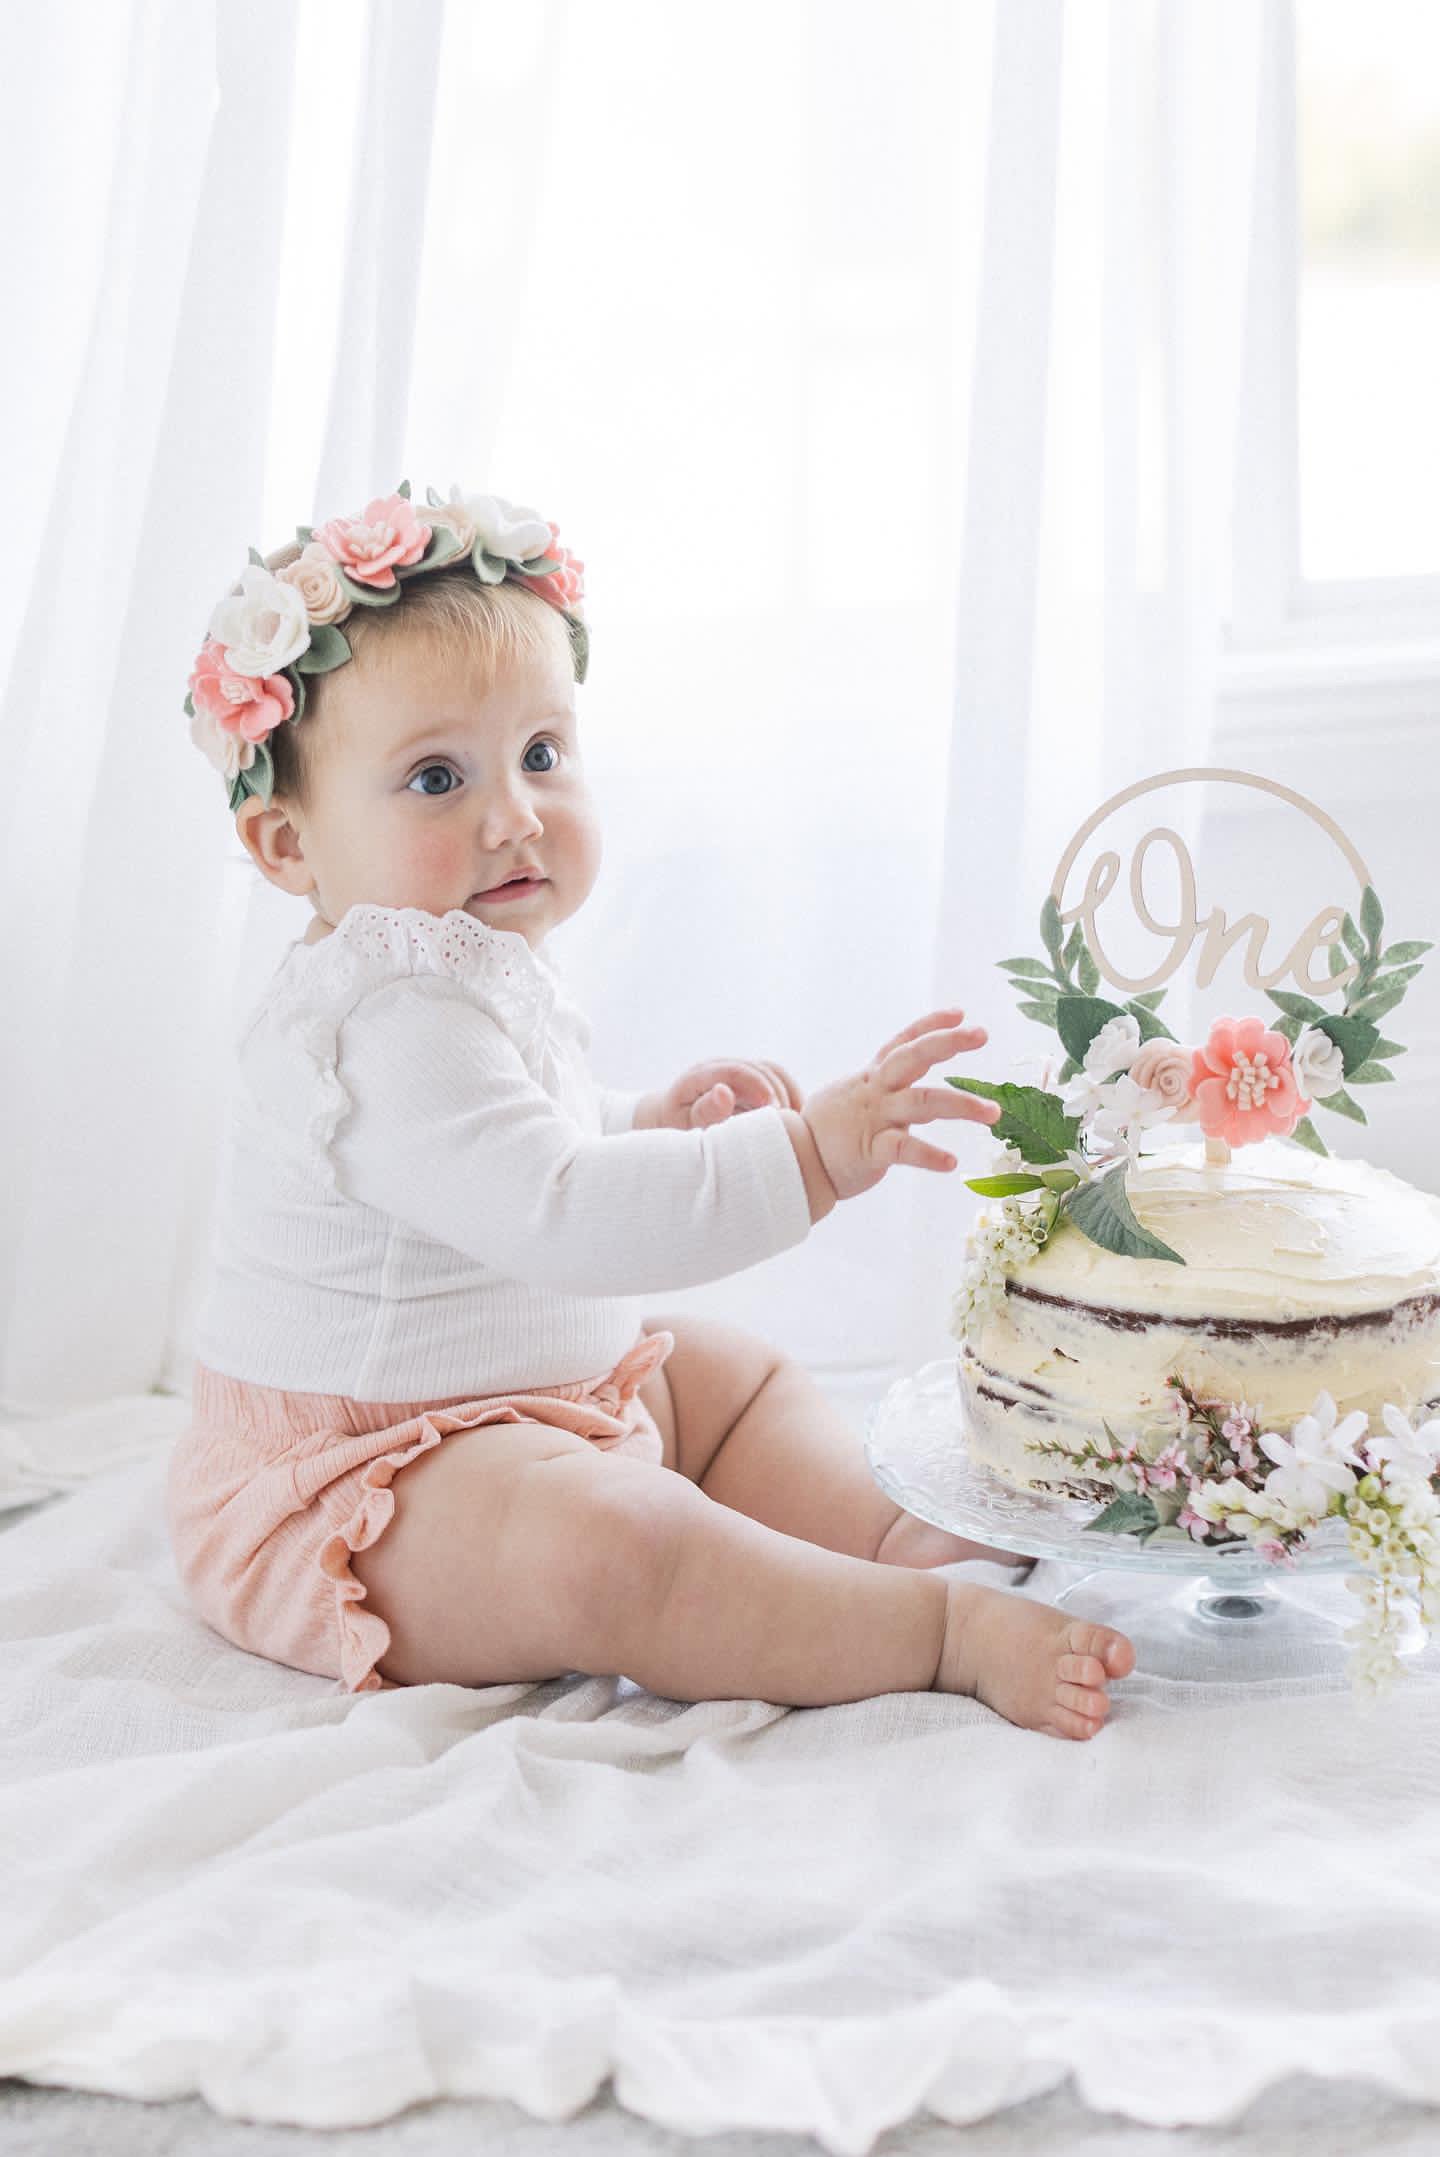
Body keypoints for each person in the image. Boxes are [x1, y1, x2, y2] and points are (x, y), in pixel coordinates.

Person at [168, 482, 1135, 1740]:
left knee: (723, 1377)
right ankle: (934, 1632)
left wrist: (644, 1121)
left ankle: (887, 1537)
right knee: (612, 1543)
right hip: (359, 1487)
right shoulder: (377, 1027)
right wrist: (805, 1155)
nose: (512, 813)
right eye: (437, 777)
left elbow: (521, 1147)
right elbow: (556, 1214)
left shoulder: (457, 964)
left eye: (541, 756)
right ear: (288, 845)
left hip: (531, 1414)